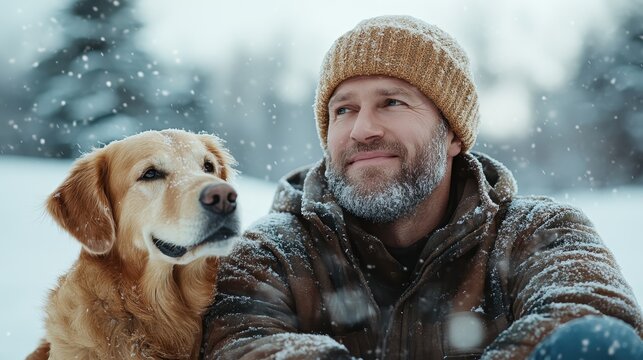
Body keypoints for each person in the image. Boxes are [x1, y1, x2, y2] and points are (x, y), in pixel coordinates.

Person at [201, 15, 643, 359]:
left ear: (452, 135)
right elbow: (241, 344)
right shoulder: (273, 250)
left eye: (391, 102)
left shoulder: (539, 232)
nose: (362, 129)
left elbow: (590, 315)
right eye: (344, 110)